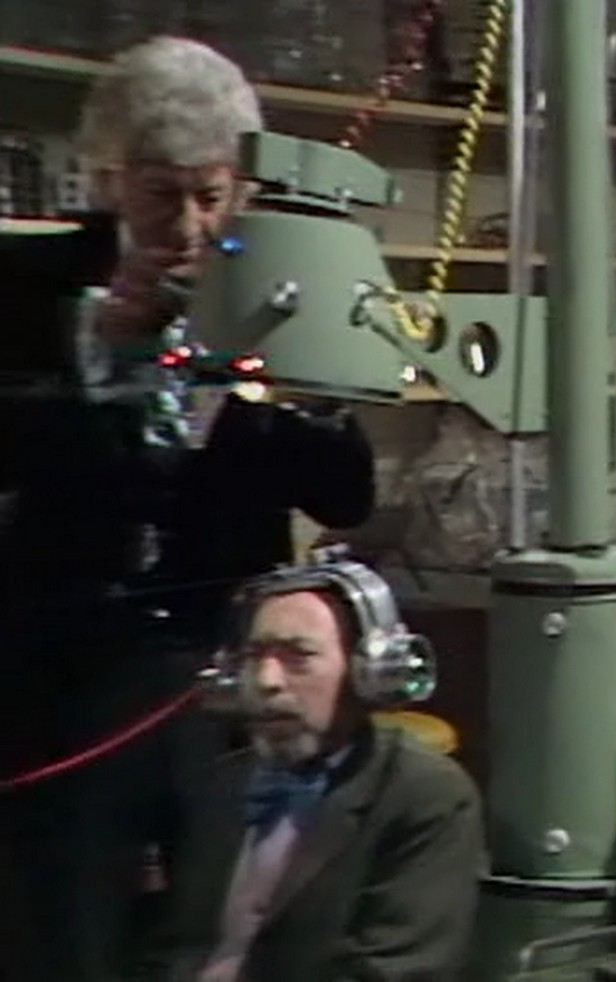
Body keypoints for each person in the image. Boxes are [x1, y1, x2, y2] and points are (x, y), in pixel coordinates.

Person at [0, 37, 375, 981]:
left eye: (213, 195)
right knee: (64, 936)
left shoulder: (280, 288)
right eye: (161, 194)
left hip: (230, 671)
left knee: (224, 935)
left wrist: (296, 381)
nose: (192, 225)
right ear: (107, 178)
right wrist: (103, 355)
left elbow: (346, 494)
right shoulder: (25, 286)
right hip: (63, 678)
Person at [150, 557, 483, 980]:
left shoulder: (426, 796)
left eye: (298, 656)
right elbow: (177, 947)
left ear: (366, 672)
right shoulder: (223, 784)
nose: (267, 680)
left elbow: (397, 972)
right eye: (255, 656)